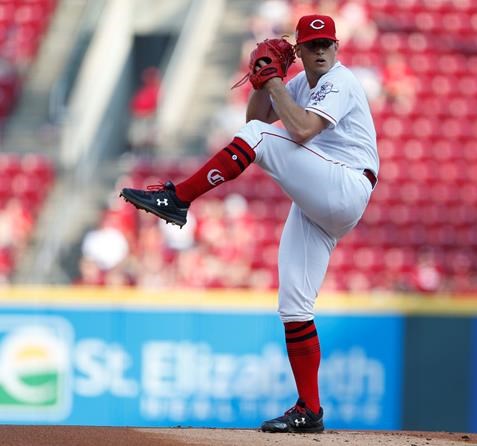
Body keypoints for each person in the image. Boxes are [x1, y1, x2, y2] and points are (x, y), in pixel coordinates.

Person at [120, 14, 378, 433]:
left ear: (336, 48)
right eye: (311, 46)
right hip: (322, 199)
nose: (319, 52)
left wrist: (275, 82)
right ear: (299, 50)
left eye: (325, 45)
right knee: (294, 306)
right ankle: (309, 410)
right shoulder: (298, 84)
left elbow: (301, 130)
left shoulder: (340, 81)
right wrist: (262, 79)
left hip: (346, 184)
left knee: (261, 137)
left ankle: (178, 197)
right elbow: (253, 121)